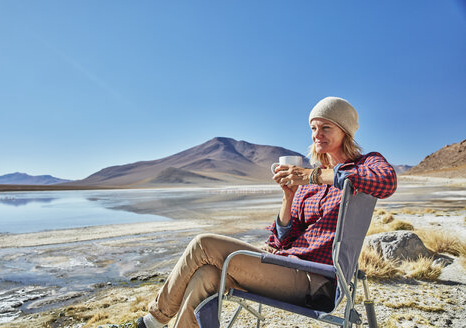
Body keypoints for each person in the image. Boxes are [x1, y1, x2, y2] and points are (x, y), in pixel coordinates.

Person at [101, 96, 397, 328]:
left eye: (325, 127)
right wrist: (289, 196)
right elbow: (282, 241)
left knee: (203, 244)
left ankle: (150, 322)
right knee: (205, 274)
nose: (317, 134)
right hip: (286, 267)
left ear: (344, 130)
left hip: (318, 280)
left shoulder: (365, 164)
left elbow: (387, 182)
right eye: (313, 128)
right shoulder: (309, 177)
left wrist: (314, 177)